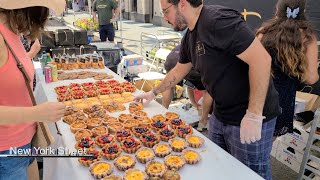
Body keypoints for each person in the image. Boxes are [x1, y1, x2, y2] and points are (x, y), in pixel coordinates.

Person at [134, 0, 281, 179]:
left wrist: (254, 114)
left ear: (182, 4)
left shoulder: (218, 22)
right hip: (221, 113)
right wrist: (153, 92)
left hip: (249, 115)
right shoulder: (190, 36)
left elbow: (262, 60)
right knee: (218, 168)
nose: (164, 18)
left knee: (250, 174)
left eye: (165, 12)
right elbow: (180, 69)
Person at [0, 1, 66, 180]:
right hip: (6, 152)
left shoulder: (11, 32)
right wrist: (36, 113)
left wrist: (29, 55)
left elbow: (8, 71)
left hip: (26, 142)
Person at [256, 0, 319, 137]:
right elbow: (311, 78)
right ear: (303, 12)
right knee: (266, 144)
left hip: (256, 94)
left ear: (277, 10)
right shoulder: (308, 38)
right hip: (281, 101)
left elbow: (252, 67)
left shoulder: (263, 33)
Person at [162, 45, 213, 131]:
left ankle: (162, 114)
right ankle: (203, 122)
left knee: (169, 85)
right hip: (190, 61)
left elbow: (189, 87)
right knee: (208, 90)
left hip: (171, 58)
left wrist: (194, 103)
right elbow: (208, 92)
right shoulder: (202, 64)